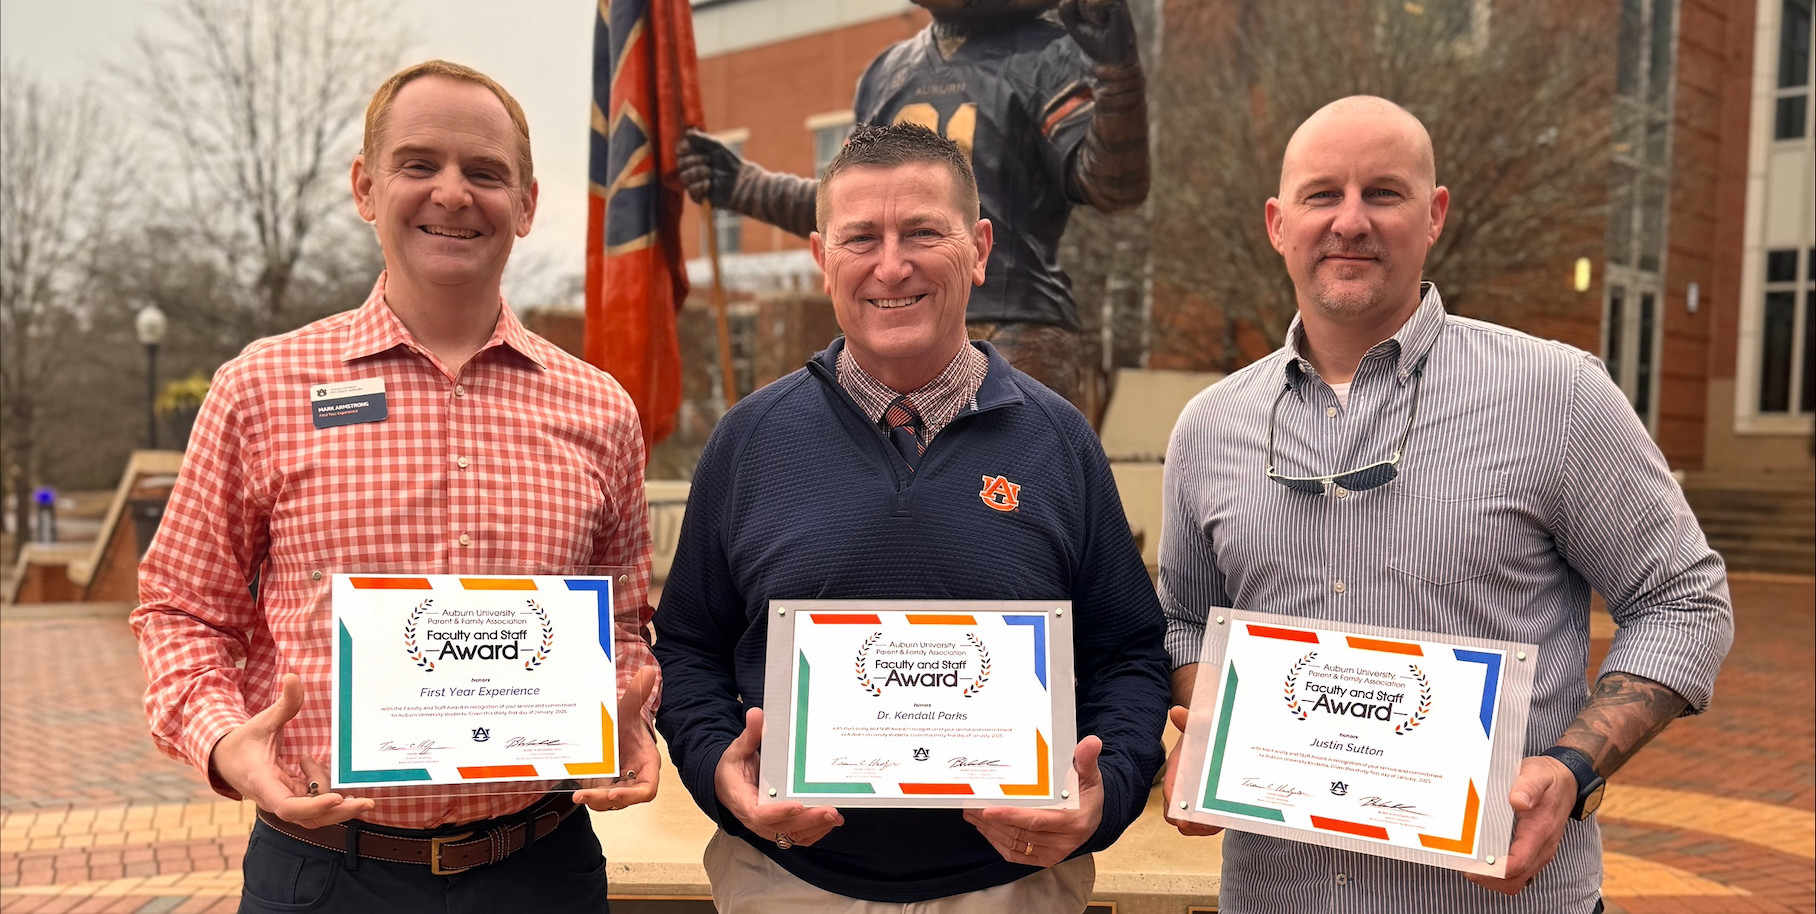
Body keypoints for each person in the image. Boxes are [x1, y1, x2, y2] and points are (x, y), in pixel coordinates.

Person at [1156, 96, 1734, 913]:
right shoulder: (1210, 427)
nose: (1350, 222)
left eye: (1383, 194)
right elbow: (1183, 616)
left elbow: (1683, 600)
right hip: (1276, 893)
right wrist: (1215, 732)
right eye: (1323, 195)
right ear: (1277, 223)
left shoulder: (1558, 395)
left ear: (1434, 216)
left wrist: (1571, 770)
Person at [132, 60, 661, 913]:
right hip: (322, 875)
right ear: (365, 188)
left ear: (525, 205)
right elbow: (180, 610)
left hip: (542, 868)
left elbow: (627, 625)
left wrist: (629, 705)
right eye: (420, 164)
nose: (453, 193)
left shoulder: (600, 409)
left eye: (485, 172)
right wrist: (227, 743)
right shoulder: (261, 389)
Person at [653, 122, 1169, 911]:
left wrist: (1107, 800)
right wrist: (720, 769)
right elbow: (689, 646)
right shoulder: (748, 440)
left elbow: (1129, 654)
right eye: (862, 237)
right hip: (787, 885)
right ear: (824, 258)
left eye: (923, 231)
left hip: (1015, 888)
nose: (891, 265)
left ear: (981, 247)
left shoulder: (1059, 439)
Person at [676, 0, 1149, 409]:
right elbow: (854, 217)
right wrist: (744, 185)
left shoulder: (1050, 53)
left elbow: (1112, 186)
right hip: (896, 324)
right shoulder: (888, 71)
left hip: (1017, 324)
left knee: (1012, 493)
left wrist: (1117, 77)